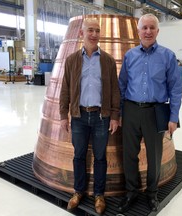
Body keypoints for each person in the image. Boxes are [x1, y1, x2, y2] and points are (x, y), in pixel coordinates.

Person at [118, 13, 182, 213]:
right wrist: (120, 113)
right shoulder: (130, 56)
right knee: (129, 154)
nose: (147, 31)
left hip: (156, 112)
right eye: (144, 28)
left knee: (155, 155)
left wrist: (173, 117)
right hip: (130, 110)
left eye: (151, 28)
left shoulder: (168, 56)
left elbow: (175, 89)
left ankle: (152, 193)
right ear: (138, 31)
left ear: (157, 31)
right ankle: (131, 191)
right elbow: (122, 86)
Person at [59, 18, 120, 215]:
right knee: (79, 156)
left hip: (101, 117)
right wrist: (62, 115)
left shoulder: (108, 61)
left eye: (97, 31)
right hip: (79, 116)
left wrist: (114, 116)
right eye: (90, 31)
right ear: (81, 34)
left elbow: (114, 91)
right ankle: (78, 192)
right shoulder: (72, 60)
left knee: (100, 157)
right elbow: (65, 89)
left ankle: (99, 195)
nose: (94, 34)